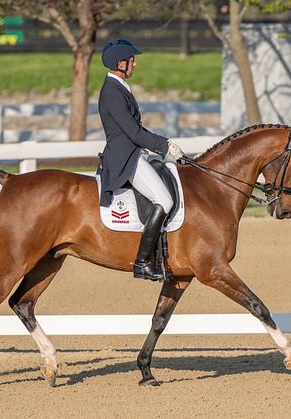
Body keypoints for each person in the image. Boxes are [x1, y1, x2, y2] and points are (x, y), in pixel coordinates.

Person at [97, 38, 186, 282]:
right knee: (165, 200)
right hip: (125, 158)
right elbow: (133, 132)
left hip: (135, 153)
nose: (135, 64)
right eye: (132, 60)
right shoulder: (112, 92)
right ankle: (143, 262)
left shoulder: (119, 86)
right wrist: (165, 146)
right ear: (120, 63)